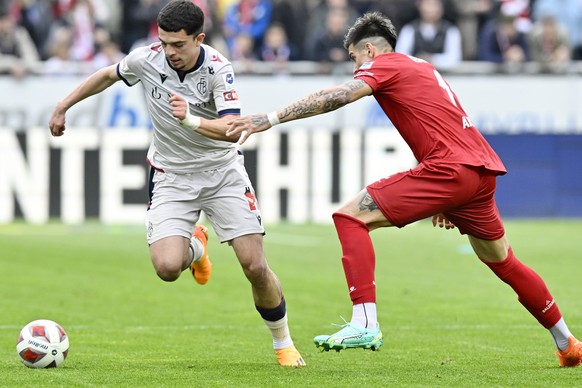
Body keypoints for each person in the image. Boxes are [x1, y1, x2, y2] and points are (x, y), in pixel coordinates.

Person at [225, 11, 582, 367]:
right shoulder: (422, 67)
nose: (355, 69)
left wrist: (269, 118)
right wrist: (448, 197)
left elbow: (336, 97)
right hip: (478, 170)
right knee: (503, 260)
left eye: (354, 59)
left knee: (349, 217)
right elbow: (439, 123)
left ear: (368, 49)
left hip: (450, 170)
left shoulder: (384, 65)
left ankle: (364, 321)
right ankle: (567, 343)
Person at [48, 0, 305, 368]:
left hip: (222, 173)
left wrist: (191, 121)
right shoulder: (146, 59)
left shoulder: (219, 68)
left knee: (254, 266)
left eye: (178, 45)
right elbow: (107, 74)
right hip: (171, 174)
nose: (169, 52)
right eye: (164, 42)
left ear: (199, 38)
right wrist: (63, 105)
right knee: (167, 268)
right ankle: (197, 249)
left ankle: (283, 344)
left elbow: (233, 130)